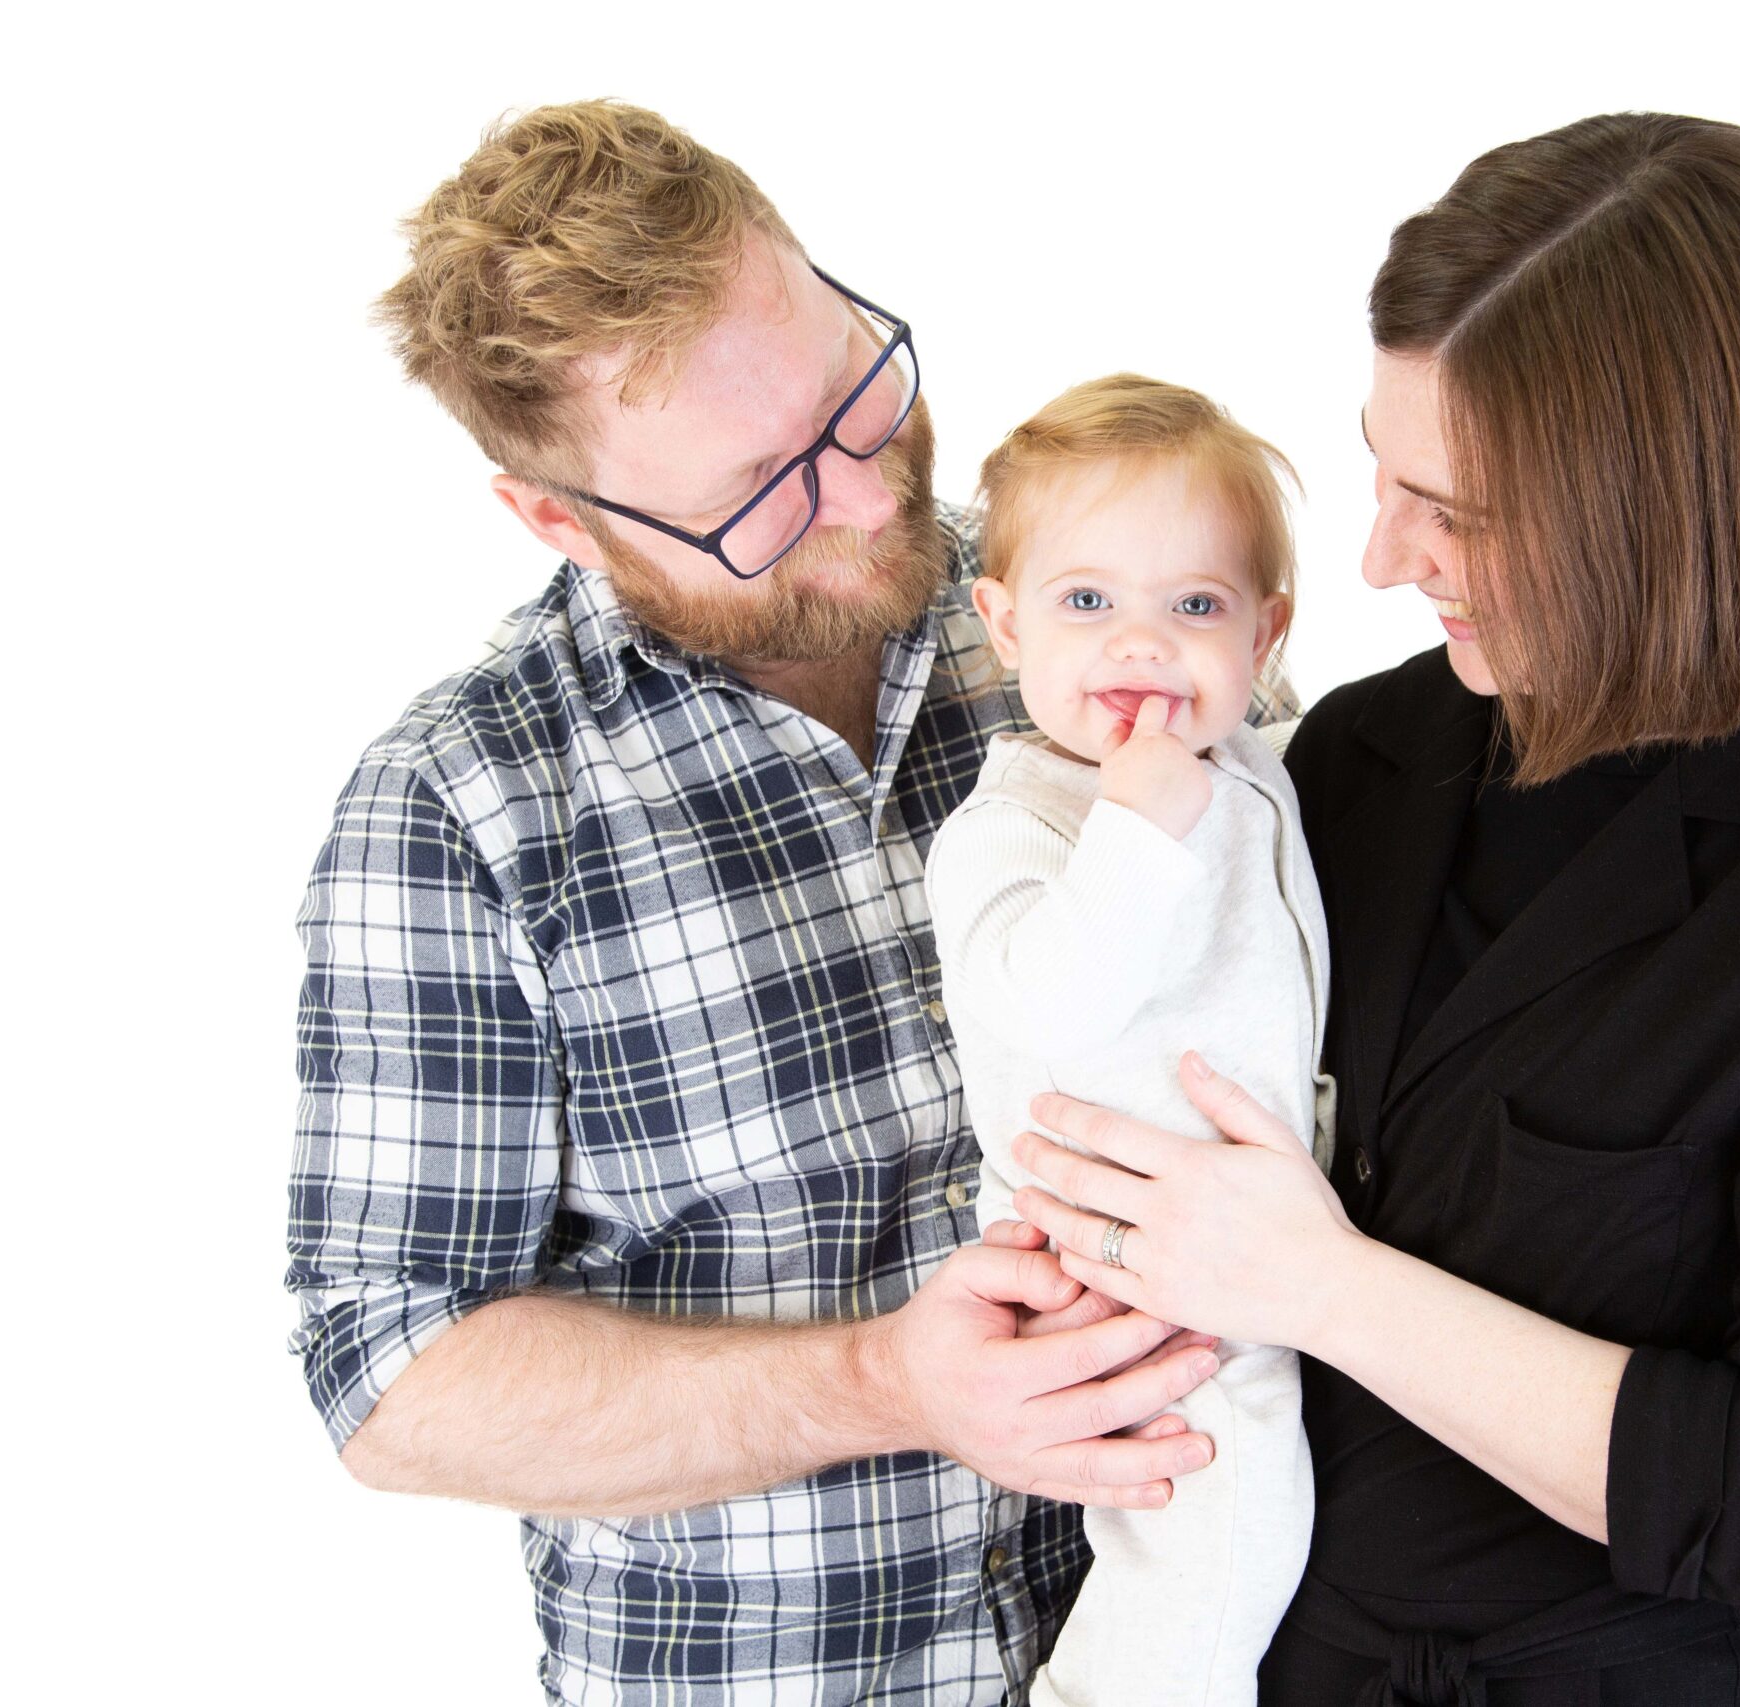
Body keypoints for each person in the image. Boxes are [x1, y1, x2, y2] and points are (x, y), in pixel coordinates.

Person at [1005, 113, 1740, 1705]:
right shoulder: (1367, 752)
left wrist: (1322, 1284)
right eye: (1382, 472)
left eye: (1461, 511)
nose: (1380, 557)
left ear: (1675, 509)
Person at [284, 101, 1296, 1705]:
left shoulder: (1100, 612)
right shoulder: (459, 808)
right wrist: (885, 1382)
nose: (871, 498)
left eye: (857, 396)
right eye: (763, 488)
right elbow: (393, 1379)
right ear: (559, 518)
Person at [928, 375, 1334, 1707]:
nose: (1143, 647)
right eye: (1088, 601)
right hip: (1125, 1272)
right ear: (1001, 622)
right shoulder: (1018, 825)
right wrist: (1137, 828)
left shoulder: (1256, 772)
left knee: (1237, 1538)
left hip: (1245, 1248)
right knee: (1218, 1537)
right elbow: (1048, 999)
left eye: (1197, 606)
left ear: (1266, 632)